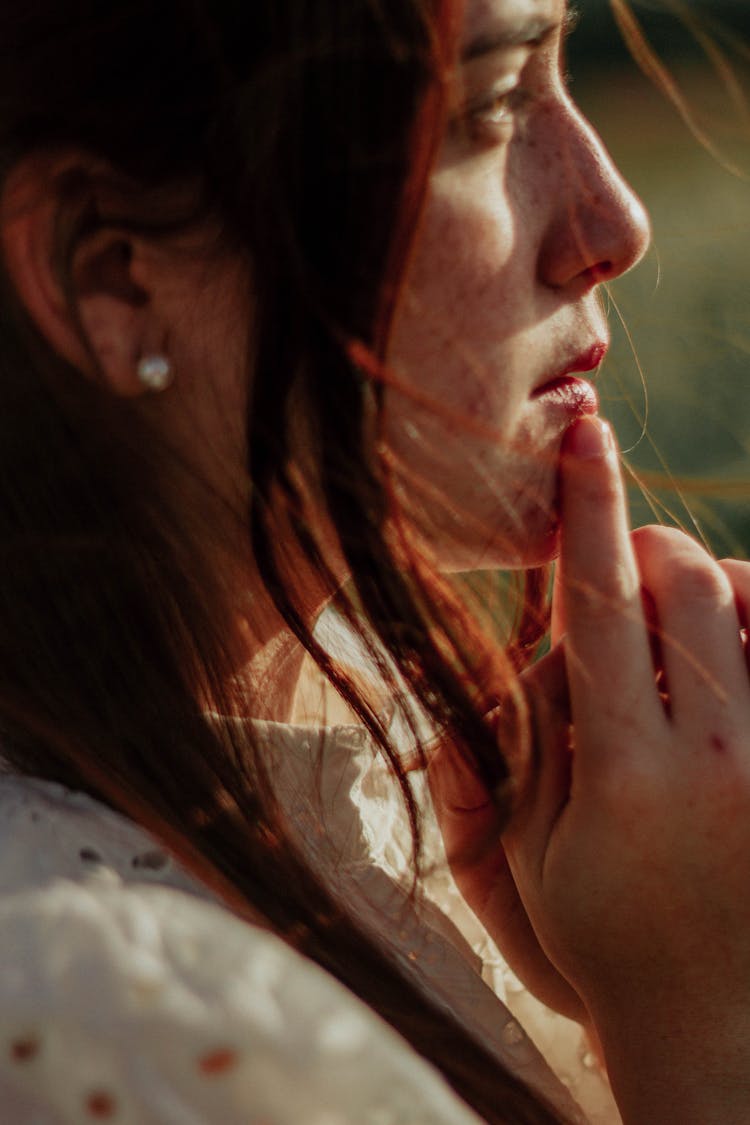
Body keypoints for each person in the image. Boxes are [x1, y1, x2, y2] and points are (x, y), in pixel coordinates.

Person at [0, 0, 748, 1122]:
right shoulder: (101, 1025)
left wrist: (609, 991)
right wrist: (702, 1028)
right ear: (115, 272)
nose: (612, 217)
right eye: (492, 107)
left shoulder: (412, 772)